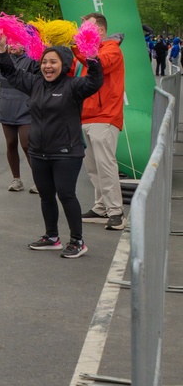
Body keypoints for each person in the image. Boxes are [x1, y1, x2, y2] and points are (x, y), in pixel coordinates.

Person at [0, 41, 102, 258]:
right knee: (46, 195)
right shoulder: (35, 83)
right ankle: (51, 236)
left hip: (66, 152)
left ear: (63, 65)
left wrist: (92, 57)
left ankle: (77, 241)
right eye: (44, 62)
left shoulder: (74, 86)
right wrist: (1, 51)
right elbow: (10, 72)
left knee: (66, 194)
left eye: (53, 62)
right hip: (38, 151)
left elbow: (95, 81)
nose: (47, 66)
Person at [74, 13, 127, 231]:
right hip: (87, 115)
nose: (82, 31)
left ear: (101, 30)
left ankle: (116, 212)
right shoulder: (88, 52)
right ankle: (101, 207)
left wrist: (80, 47)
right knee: (93, 168)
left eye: (88, 28)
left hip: (105, 116)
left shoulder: (111, 48)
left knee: (105, 166)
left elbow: (100, 64)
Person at [0, 41, 37, 192]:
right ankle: (16, 179)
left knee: (27, 145)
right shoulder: (2, 58)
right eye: (10, 43)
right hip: (6, 107)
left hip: (25, 108)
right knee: (11, 143)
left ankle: (39, 180)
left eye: (17, 42)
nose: (12, 46)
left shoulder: (32, 60)